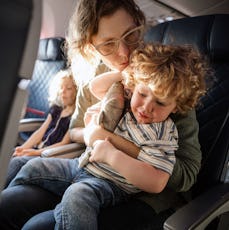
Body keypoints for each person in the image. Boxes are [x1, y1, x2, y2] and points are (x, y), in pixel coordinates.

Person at [0, 0, 207, 229]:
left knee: (39, 225)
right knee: (9, 199)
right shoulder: (102, 74)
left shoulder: (164, 85)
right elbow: (75, 129)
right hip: (89, 165)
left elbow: (186, 174)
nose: (124, 52)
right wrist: (90, 133)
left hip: (139, 193)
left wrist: (107, 140)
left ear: (140, 26)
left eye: (130, 35)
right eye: (108, 44)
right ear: (91, 47)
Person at [5, 68, 77, 186]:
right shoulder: (56, 109)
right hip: (37, 149)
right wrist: (23, 148)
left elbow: (64, 143)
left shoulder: (75, 116)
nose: (63, 91)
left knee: (17, 162)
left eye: (68, 88)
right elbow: (40, 132)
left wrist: (34, 153)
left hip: (49, 155)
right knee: (12, 154)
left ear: (76, 91)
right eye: (61, 87)